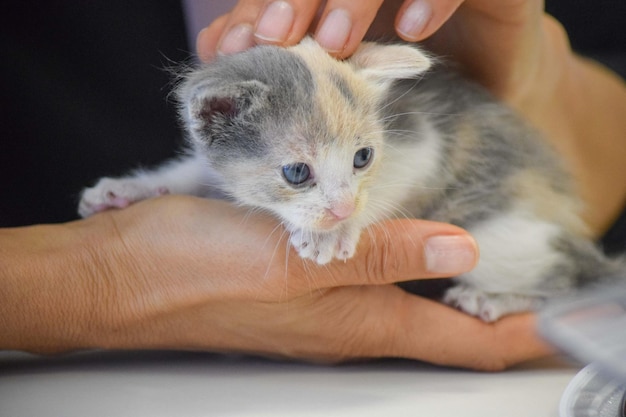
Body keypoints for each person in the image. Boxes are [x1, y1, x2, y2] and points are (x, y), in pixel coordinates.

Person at [1, 0, 624, 371]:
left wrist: (554, 87)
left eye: (359, 159)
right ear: (214, 118)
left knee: (506, 252)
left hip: (504, 218)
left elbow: (415, 152)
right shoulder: (232, 119)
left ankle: (538, 289)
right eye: (299, 173)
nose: (342, 201)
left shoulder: (368, 109)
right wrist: (97, 273)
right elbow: (216, 172)